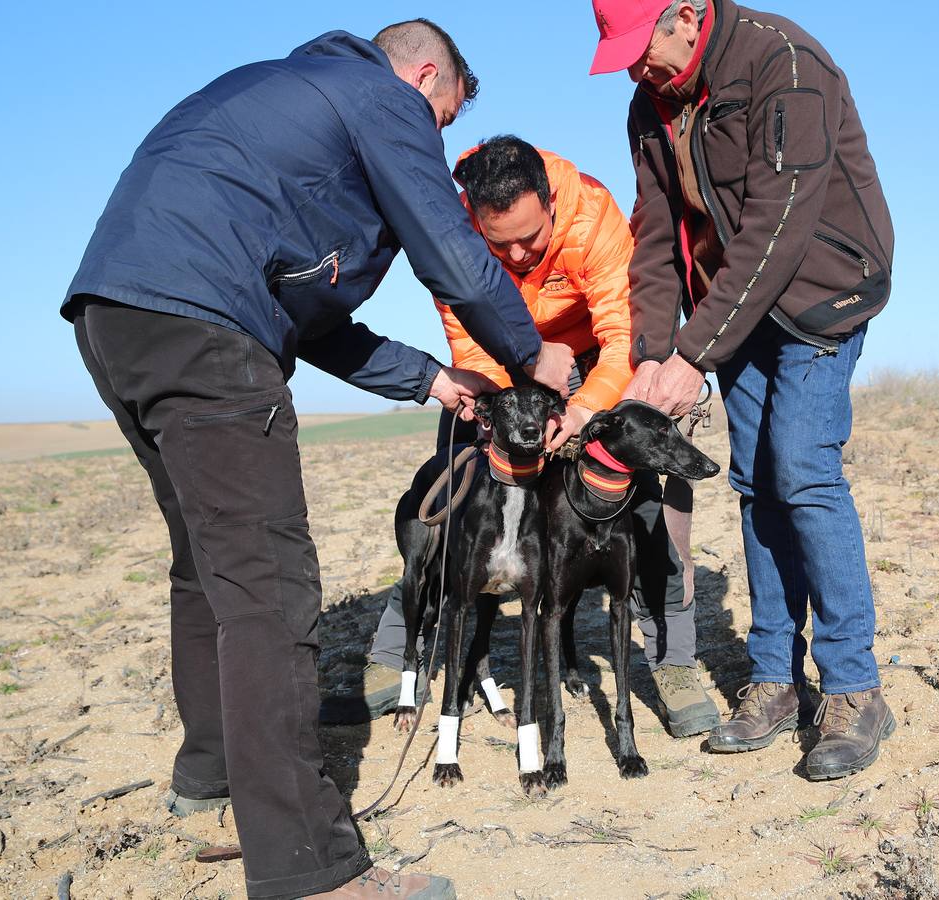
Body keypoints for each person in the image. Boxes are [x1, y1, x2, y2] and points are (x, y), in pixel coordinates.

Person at [62, 20, 573, 900]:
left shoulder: (273, 98)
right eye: (443, 118)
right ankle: (310, 870)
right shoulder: (382, 98)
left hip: (115, 317)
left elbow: (311, 318)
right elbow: (452, 253)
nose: (433, 138)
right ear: (424, 79)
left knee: (208, 566)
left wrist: (429, 381)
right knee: (269, 587)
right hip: (205, 329)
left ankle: (211, 773)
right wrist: (530, 355)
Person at [321, 136, 722, 738]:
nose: (515, 253)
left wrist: (583, 411)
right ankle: (398, 648)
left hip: (588, 365)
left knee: (640, 504)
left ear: (552, 206)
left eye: (530, 239)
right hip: (502, 372)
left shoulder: (593, 213)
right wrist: (501, 411)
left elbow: (622, 337)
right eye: (497, 241)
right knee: (453, 494)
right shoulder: (451, 232)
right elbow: (469, 343)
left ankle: (673, 658)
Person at [589, 0, 897, 780]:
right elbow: (656, 240)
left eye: (643, 47)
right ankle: (774, 679)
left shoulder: (785, 63)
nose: (637, 67)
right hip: (739, 309)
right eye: (621, 54)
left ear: (688, 14)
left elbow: (778, 221)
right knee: (756, 480)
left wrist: (694, 351)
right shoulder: (648, 107)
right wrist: (655, 357)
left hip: (822, 289)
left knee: (801, 467)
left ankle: (855, 688)